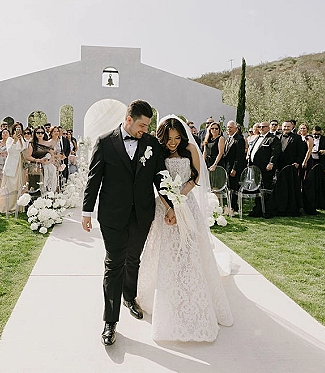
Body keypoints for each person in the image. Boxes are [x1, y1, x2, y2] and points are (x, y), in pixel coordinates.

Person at [81, 100, 174, 346]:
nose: (145, 130)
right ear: (128, 119)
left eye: (148, 126)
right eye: (142, 125)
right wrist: (86, 211)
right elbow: (94, 178)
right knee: (114, 265)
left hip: (142, 214)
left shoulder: (151, 143)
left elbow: (159, 177)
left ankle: (129, 297)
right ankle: (110, 321)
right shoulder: (104, 141)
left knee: (134, 259)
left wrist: (171, 205)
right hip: (113, 215)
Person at [137, 115, 233, 342]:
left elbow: (195, 177)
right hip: (163, 206)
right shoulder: (158, 152)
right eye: (169, 138)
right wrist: (169, 207)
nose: (173, 143)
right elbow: (156, 182)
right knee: (165, 252)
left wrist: (178, 204)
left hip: (185, 203)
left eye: (177, 138)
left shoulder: (190, 148)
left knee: (188, 251)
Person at [247, 121, 281, 217]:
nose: (261, 128)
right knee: (258, 188)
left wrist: (271, 163)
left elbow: (275, 152)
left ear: (268, 127)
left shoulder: (273, 139)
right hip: (255, 167)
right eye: (259, 127)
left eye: (263, 127)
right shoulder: (258, 137)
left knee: (266, 189)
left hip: (266, 168)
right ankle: (257, 209)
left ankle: (267, 210)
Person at [0, 123, 26, 213]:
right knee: (9, 185)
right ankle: (6, 206)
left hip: (18, 163)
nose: (18, 130)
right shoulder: (10, 139)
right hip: (11, 163)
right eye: (16, 129)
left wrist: (20, 139)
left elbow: (23, 148)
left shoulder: (22, 139)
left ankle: (17, 206)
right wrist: (15, 140)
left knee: (17, 184)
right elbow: (9, 150)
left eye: (19, 129)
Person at [222, 121, 246, 213]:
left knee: (234, 188)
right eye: (228, 127)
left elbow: (239, 156)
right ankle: (229, 206)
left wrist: (234, 169)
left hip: (234, 168)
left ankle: (234, 208)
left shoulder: (239, 139)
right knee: (229, 187)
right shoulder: (228, 138)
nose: (229, 129)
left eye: (231, 127)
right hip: (227, 166)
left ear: (236, 128)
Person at [24, 126, 53, 194]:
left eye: (42, 132)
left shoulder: (48, 143)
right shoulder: (32, 143)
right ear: (35, 133)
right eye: (38, 132)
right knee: (35, 187)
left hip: (47, 168)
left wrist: (49, 161)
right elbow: (27, 157)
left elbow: (52, 155)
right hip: (34, 168)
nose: (40, 134)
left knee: (47, 188)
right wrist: (38, 160)